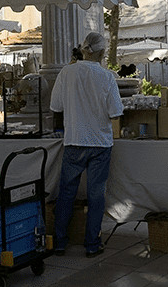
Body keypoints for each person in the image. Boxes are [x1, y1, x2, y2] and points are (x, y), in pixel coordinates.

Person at [49, 31, 123, 257]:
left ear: (83, 49)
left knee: (66, 192)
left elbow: (56, 107)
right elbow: (115, 112)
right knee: (96, 195)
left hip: (74, 141)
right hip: (100, 143)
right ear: (101, 52)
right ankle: (92, 243)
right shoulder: (107, 76)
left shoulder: (66, 73)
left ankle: (59, 241)